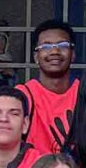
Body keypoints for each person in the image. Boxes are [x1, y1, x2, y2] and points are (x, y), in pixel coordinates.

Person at [18, 19, 81, 153]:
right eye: (46, 47)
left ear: (73, 54)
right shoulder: (23, 95)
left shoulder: (85, 93)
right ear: (36, 57)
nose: (54, 51)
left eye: (63, 45)